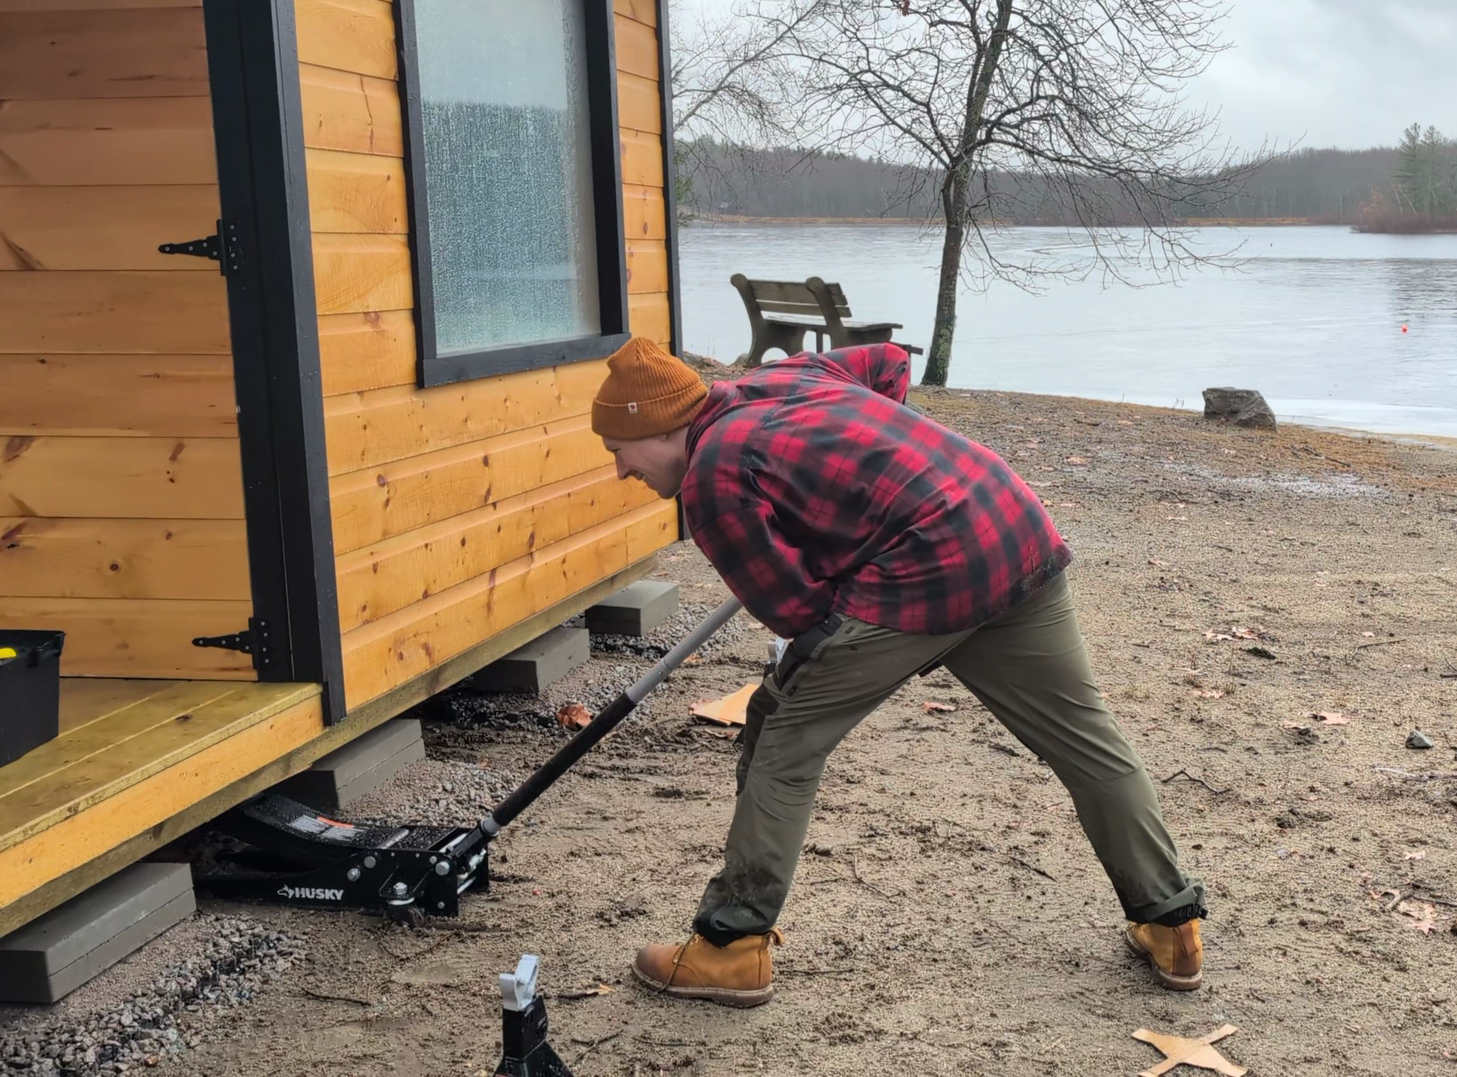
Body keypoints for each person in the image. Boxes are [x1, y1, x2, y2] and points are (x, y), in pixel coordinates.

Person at [589, 335, 1207, 1007]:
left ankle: (731, 948)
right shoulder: (786, 377)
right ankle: (1172, 925)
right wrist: (879, 486)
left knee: (780, 736)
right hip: (1006, 519)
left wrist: (863, 539)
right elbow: (887, 361)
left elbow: (796, 609)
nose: (622, 470)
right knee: (1086, 740)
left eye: (618, 450)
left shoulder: (712, 476)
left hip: (926, 571)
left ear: (657, 426)